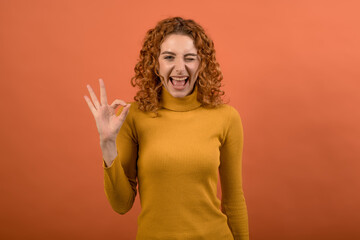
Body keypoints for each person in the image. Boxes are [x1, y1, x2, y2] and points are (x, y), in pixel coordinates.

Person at [84, 17, 249, 240]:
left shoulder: (226, 118)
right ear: (155, 63)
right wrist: (107, 144)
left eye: (190, 58)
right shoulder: (132, 117)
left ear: (202, 64)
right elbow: (121, 204)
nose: (180, 68)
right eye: (169, 57)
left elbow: (234, 200)